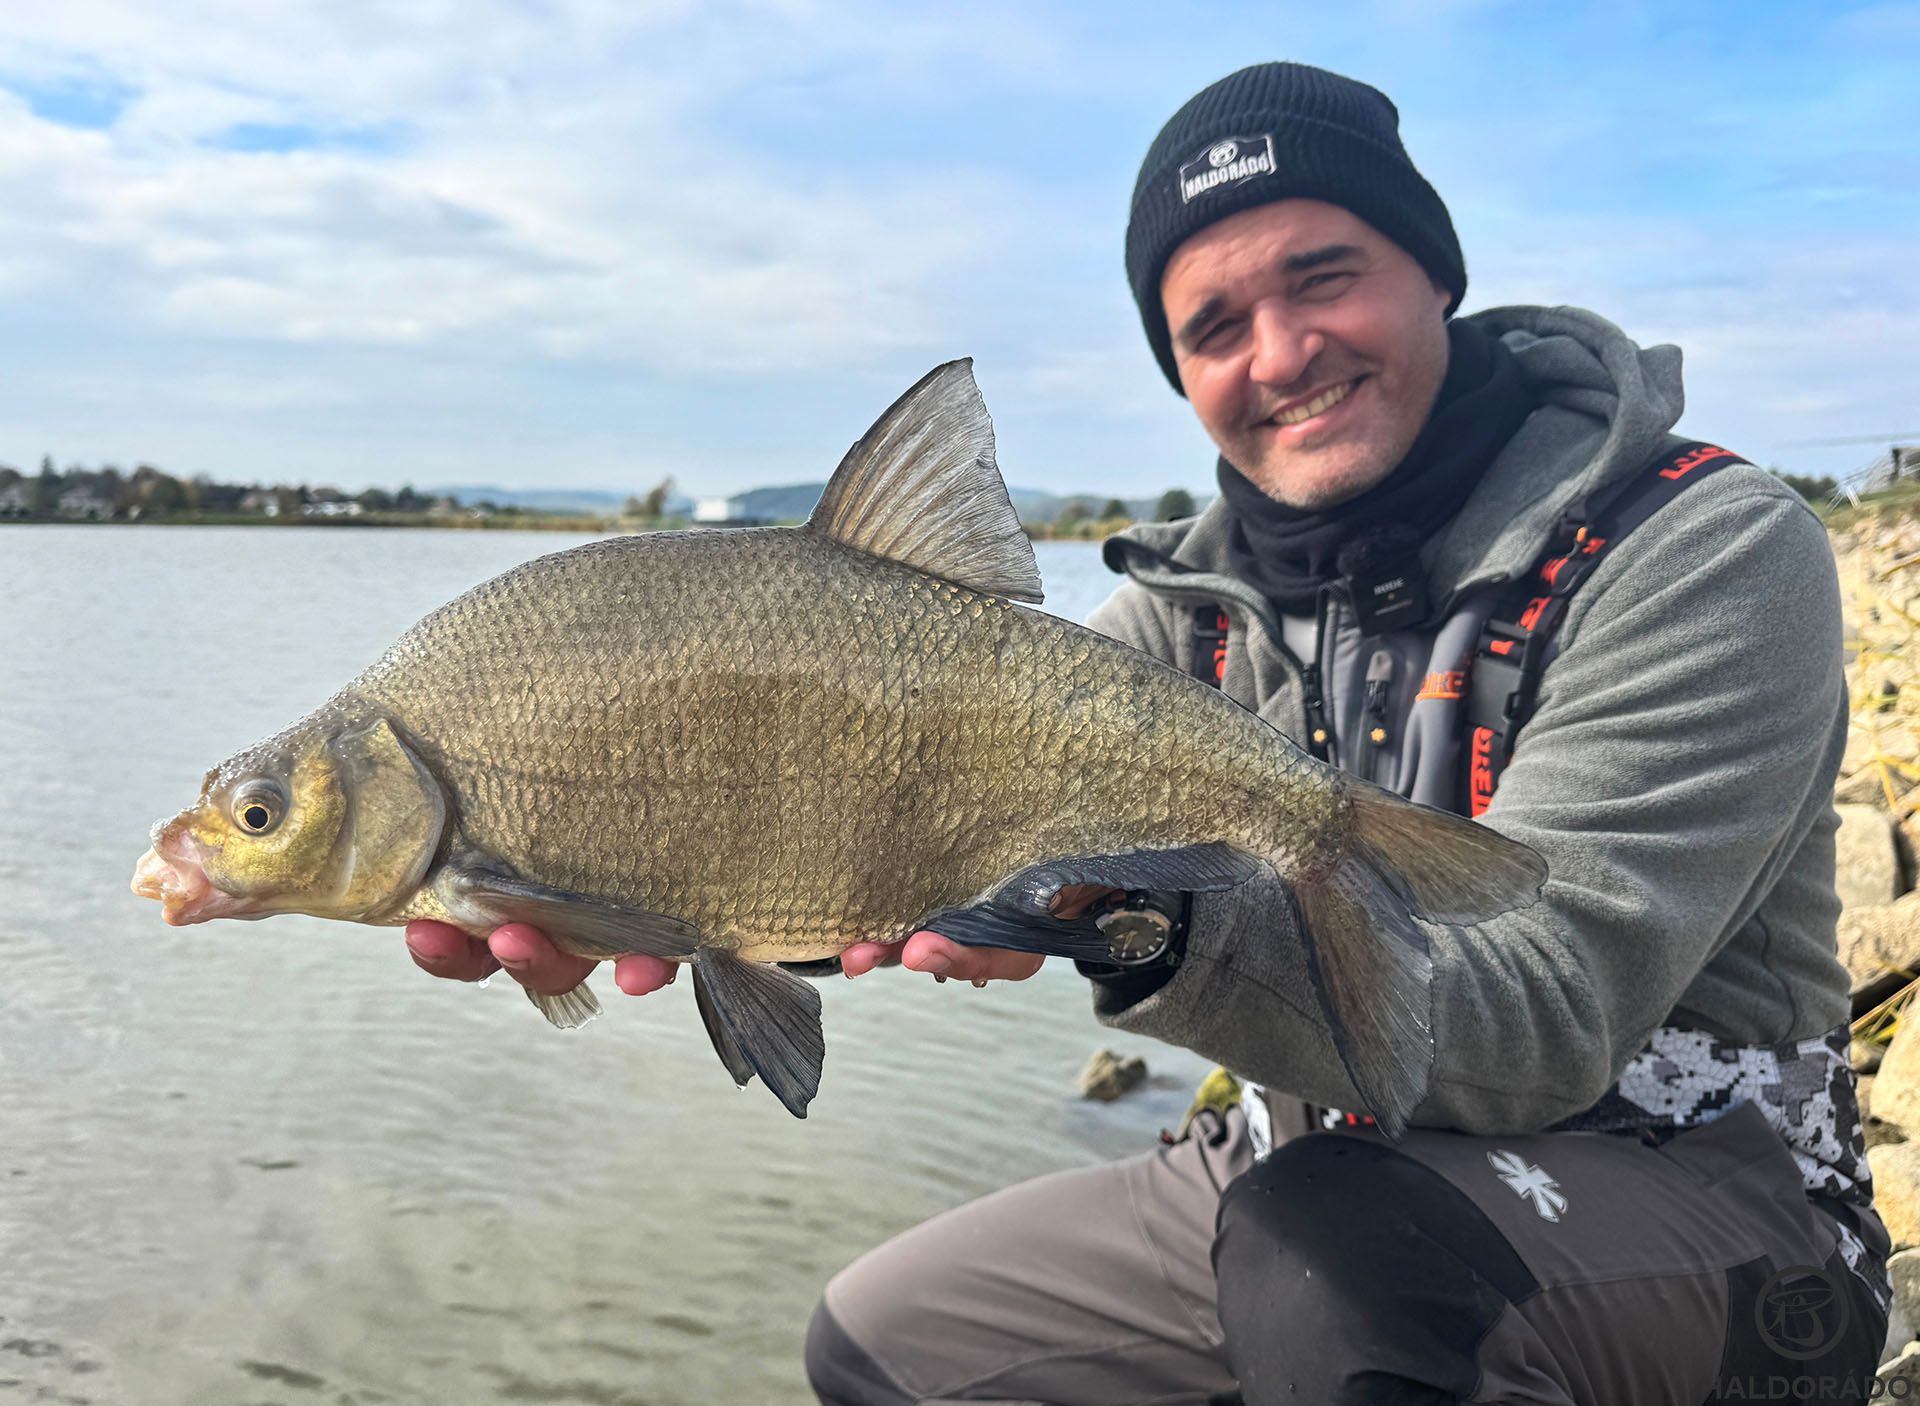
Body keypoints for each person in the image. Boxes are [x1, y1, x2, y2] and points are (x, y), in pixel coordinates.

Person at [407, 61, 1892, 1403]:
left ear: (1434, 275)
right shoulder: (1180, 617)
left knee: (1344, 1271)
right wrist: (670, 876)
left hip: (1708, 1203)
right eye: (1214, 325)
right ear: (1180, 373)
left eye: (1328, 276)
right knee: (889, 1338)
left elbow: (1547, 1018)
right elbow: (896, 816)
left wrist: (1137, 925)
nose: (1285, 348)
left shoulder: (1702, 545)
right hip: (1301, 1165)